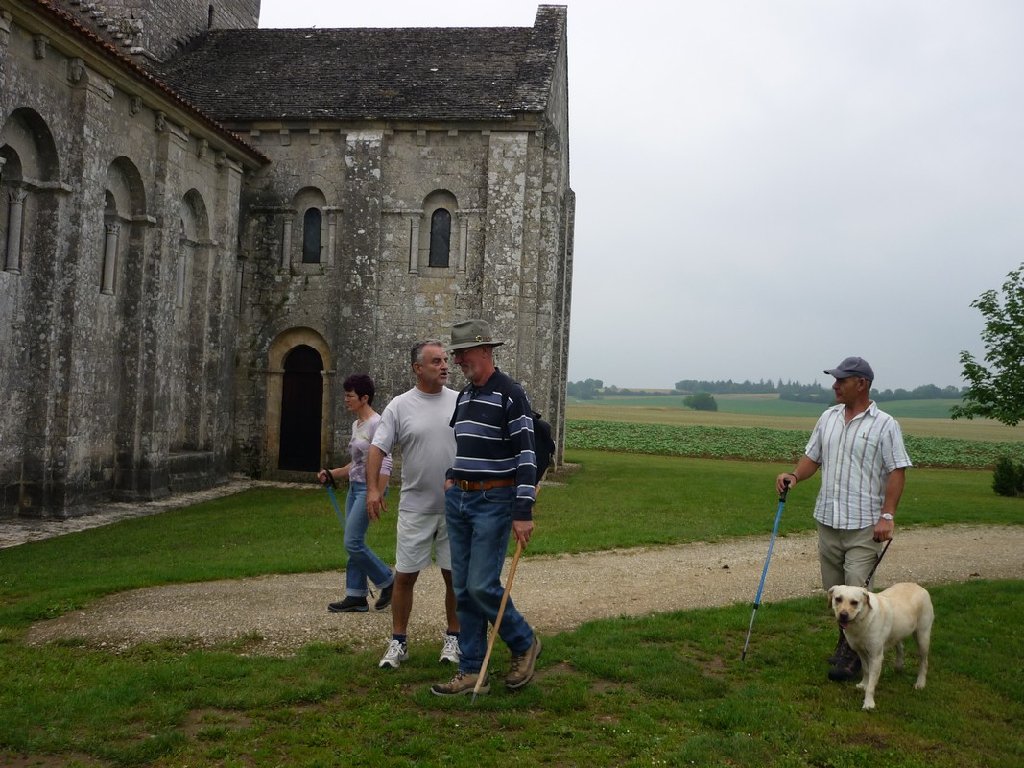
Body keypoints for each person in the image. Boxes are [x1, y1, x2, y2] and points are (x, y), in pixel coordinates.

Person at [775, 356, 912, 682]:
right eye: (835, 380)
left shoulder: (885, 424)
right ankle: (846, 643)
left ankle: (851, 657)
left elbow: (897, 471)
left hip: (865, 526)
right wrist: (795, 476)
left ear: (861, 384)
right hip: (828, 521)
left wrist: (887, 516)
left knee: (856, 593)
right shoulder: (828, 418)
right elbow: (813, 457)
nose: (835, 385)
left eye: (841, 380)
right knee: (836, 593)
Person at [430, 319, 542, 697]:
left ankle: (524, 641)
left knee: (480, 585)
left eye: (463, 353)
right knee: (462, 588)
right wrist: (451, 475)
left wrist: (523, 511)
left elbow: (526, 454)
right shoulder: (466, 397)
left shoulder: (511, 394)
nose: (459, 360)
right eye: (456, 354)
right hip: (459, 499)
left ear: (485, 351)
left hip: (495, 500)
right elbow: (466, 447)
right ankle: (470, 670)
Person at [366, 340, 461, 669]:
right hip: (415, 507)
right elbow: (378, 448)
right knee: (405, 577)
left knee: (454, 577)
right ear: (418, 368)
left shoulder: (461, 402)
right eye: (436, 361)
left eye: (446, 360)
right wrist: (373, 492)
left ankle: (454, 638)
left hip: (456, 507)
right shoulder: (400, 406)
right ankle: (399, 641)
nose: (444, 366)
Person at [316, 373, 394, 613]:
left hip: (369, 490)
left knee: (352, 541)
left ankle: (388, 581)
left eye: (350, 396)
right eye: (346, 395)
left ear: (364, 398)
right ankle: (356, 595)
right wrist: (333, 472)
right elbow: (357, 464)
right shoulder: (357, 424)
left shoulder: (376, 424)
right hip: (355, 488)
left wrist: (377, 493)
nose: (345, 399)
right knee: (354, 542)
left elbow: (386, 461)